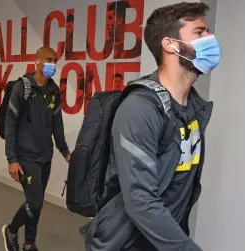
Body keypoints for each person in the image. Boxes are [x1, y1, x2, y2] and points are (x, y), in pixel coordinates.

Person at [83, 2, 220, 251]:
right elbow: (141, 200)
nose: (211, 39)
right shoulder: (140, 109)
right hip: (129, 244)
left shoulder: (194, 107)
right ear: (171, 45)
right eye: (199, 33)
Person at [2, 46, 71, 251]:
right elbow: (10, 125)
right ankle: (11, 230)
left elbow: (57, 125)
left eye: (55, 60)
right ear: (37, 60)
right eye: (48, 59)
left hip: (45, 156)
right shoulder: (22, 88)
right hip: (25, 156)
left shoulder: (54, 90)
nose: (52, 64)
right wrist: (11, 159)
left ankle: (29, 244)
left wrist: (66, 152)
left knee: (36, 203)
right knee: (35, 202)